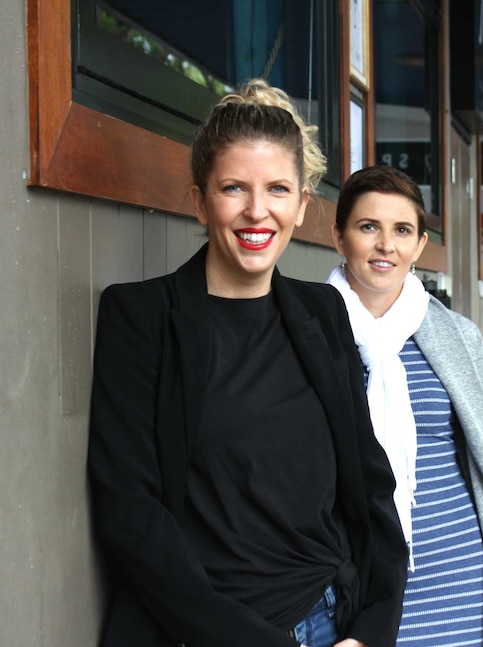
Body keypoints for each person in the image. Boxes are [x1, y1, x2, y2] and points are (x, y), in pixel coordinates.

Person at [87, 80, 407, 647]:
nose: (257, 212)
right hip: (203, 634)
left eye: (278, 189)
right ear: (199, 200)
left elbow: (369, 481)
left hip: (330, 623)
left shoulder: (323, 312)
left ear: (303, 205)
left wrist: (373, 628)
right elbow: (129, 513)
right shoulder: (140, 317)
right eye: (234, 188)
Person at [327, 165, 483, 647]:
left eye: (402, 230)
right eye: (369, 227)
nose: (386, 245)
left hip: (457, 569)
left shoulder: (457, 337)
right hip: (356, 580)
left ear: (420, 246)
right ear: (339, 237)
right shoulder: (308, 332)